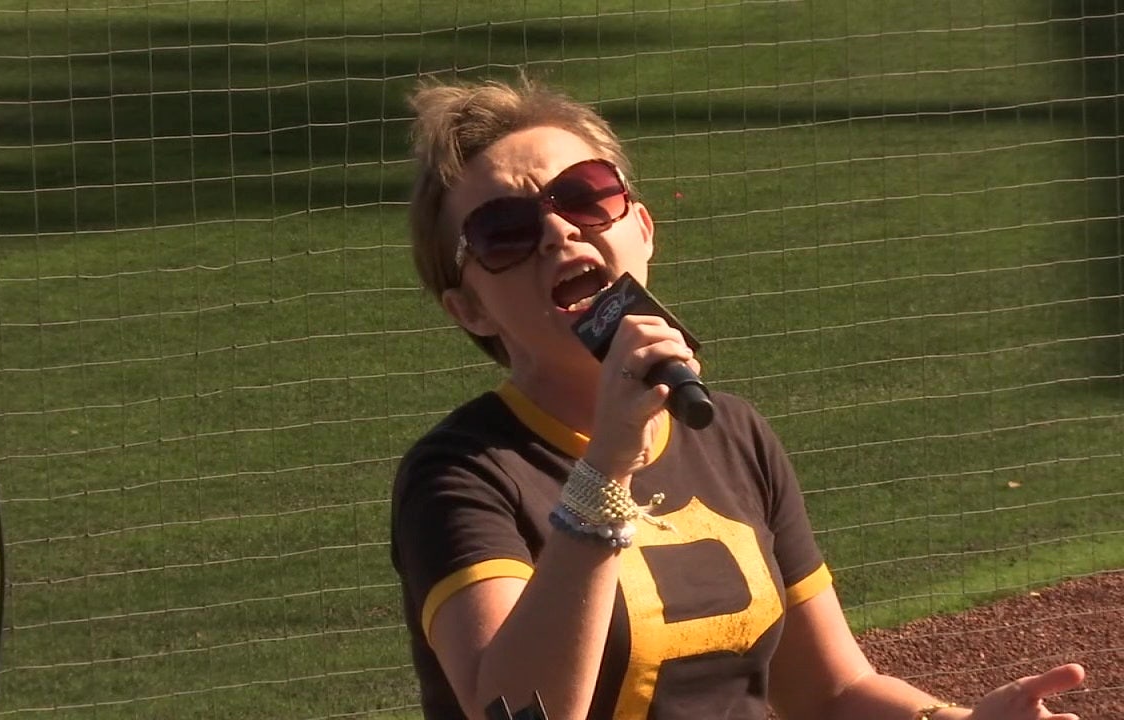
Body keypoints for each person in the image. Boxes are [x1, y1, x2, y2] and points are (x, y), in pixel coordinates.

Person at [388, 75, 1086, 720]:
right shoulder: (463, 474)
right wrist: (607, 467)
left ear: (642, 227)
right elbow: (515, 711)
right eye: (503, 232)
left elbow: (832, 692)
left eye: (585, 195)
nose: (558, 231)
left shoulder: (731, 432)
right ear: (469, 309)